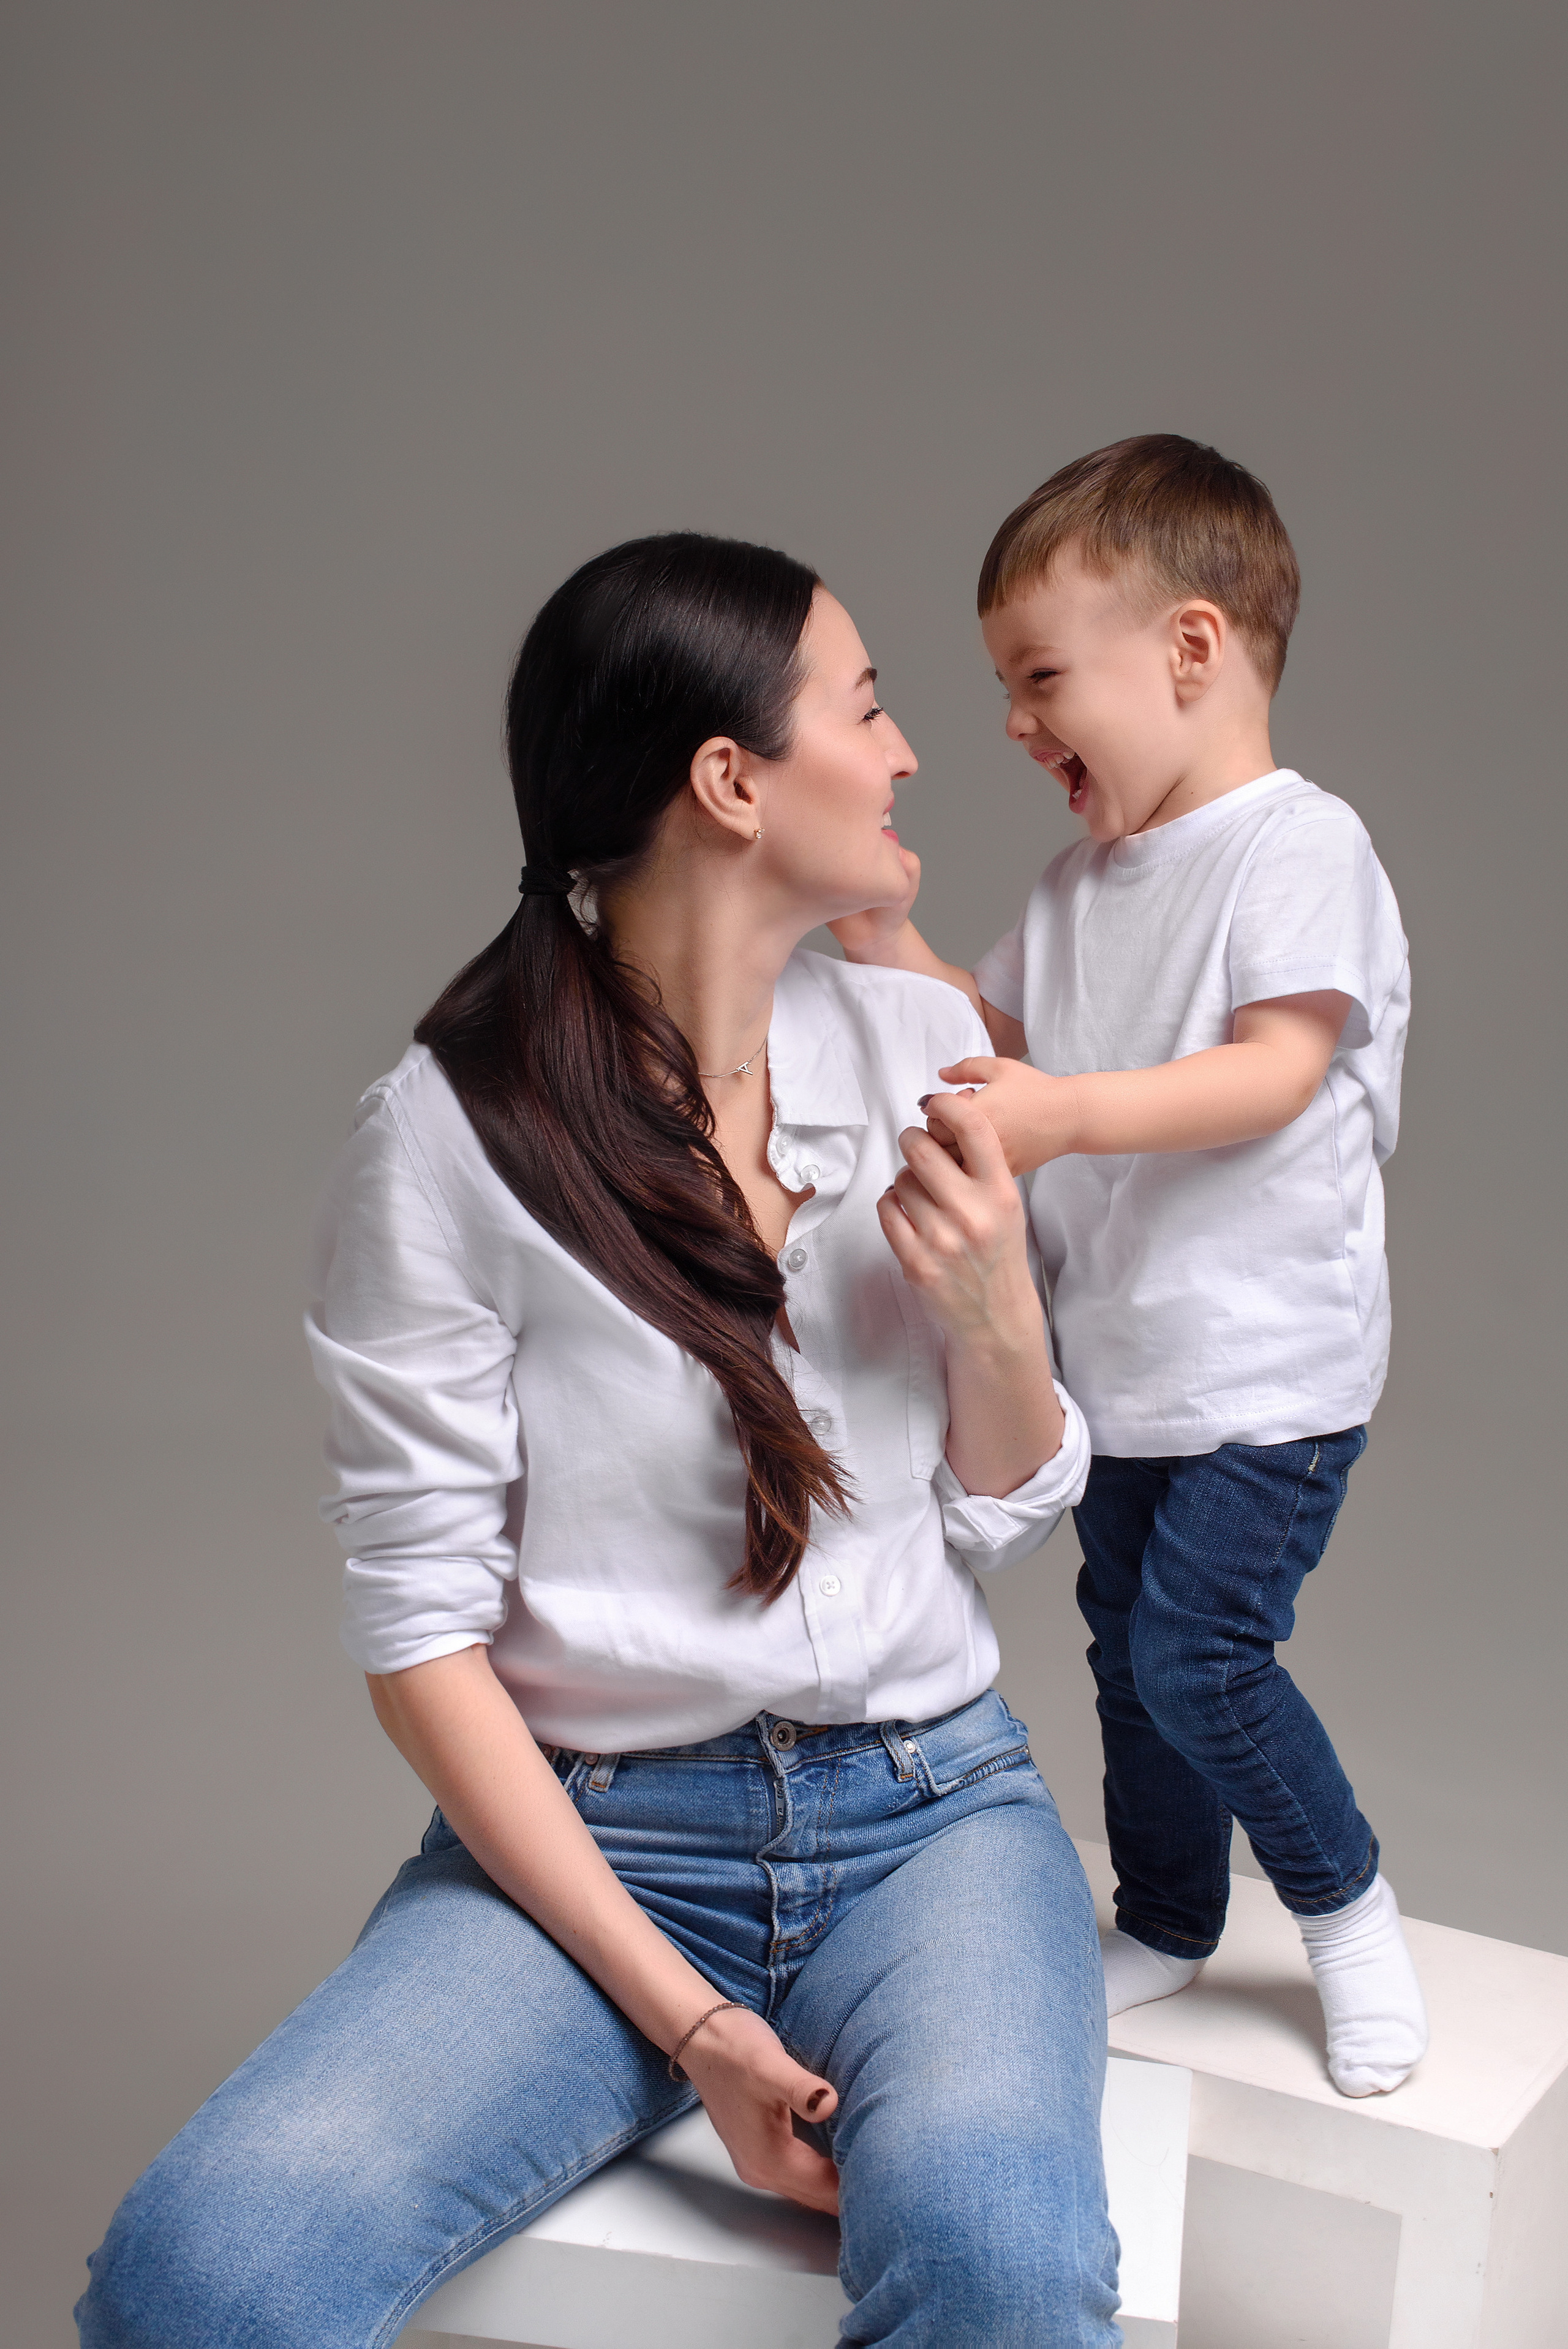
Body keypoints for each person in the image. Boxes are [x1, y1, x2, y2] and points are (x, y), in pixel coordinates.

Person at [77, 533, 1122, 2348]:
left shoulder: (919, 1044)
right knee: (205, 2272)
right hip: (599, 1844)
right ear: (730, 780)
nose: (907, 753)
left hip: (934, 1818)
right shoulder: (446, 1133)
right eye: (867, 708)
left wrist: (1000, 1327)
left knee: (1007, 2270)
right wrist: (696, 2022)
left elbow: (1004, 1501)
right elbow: (422, 1639)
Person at [831, 437, 1429, 2100]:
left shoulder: (1299, 847)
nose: (1016, 727)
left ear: (1189, 648)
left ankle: (1348, 1900)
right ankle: (1167, 1912)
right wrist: (898, 956)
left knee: (1199, 1653)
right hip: (1128, 1364)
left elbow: (1274, 1069)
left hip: (1271, 1368)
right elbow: (1006, 1036)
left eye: (1039, 680)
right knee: (1123, 1647)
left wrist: (1070, 1114)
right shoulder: (1082, 883)